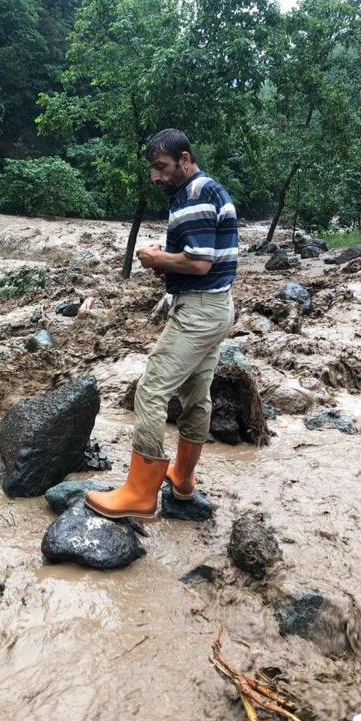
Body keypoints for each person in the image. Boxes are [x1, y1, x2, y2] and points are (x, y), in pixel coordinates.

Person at [85, 128, 238, 519]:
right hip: (217, 306)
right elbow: (204, 260)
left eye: (162, 167)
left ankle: (140, 493)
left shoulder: (195, 194)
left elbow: (200, 262)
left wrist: (156, 259)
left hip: (200, 311)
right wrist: (168, 262)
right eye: (152, 168)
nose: (155, 176)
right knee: (195, 394)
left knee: (151, 390)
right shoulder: (206, 191)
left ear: (185, 160)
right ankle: (183, 480)